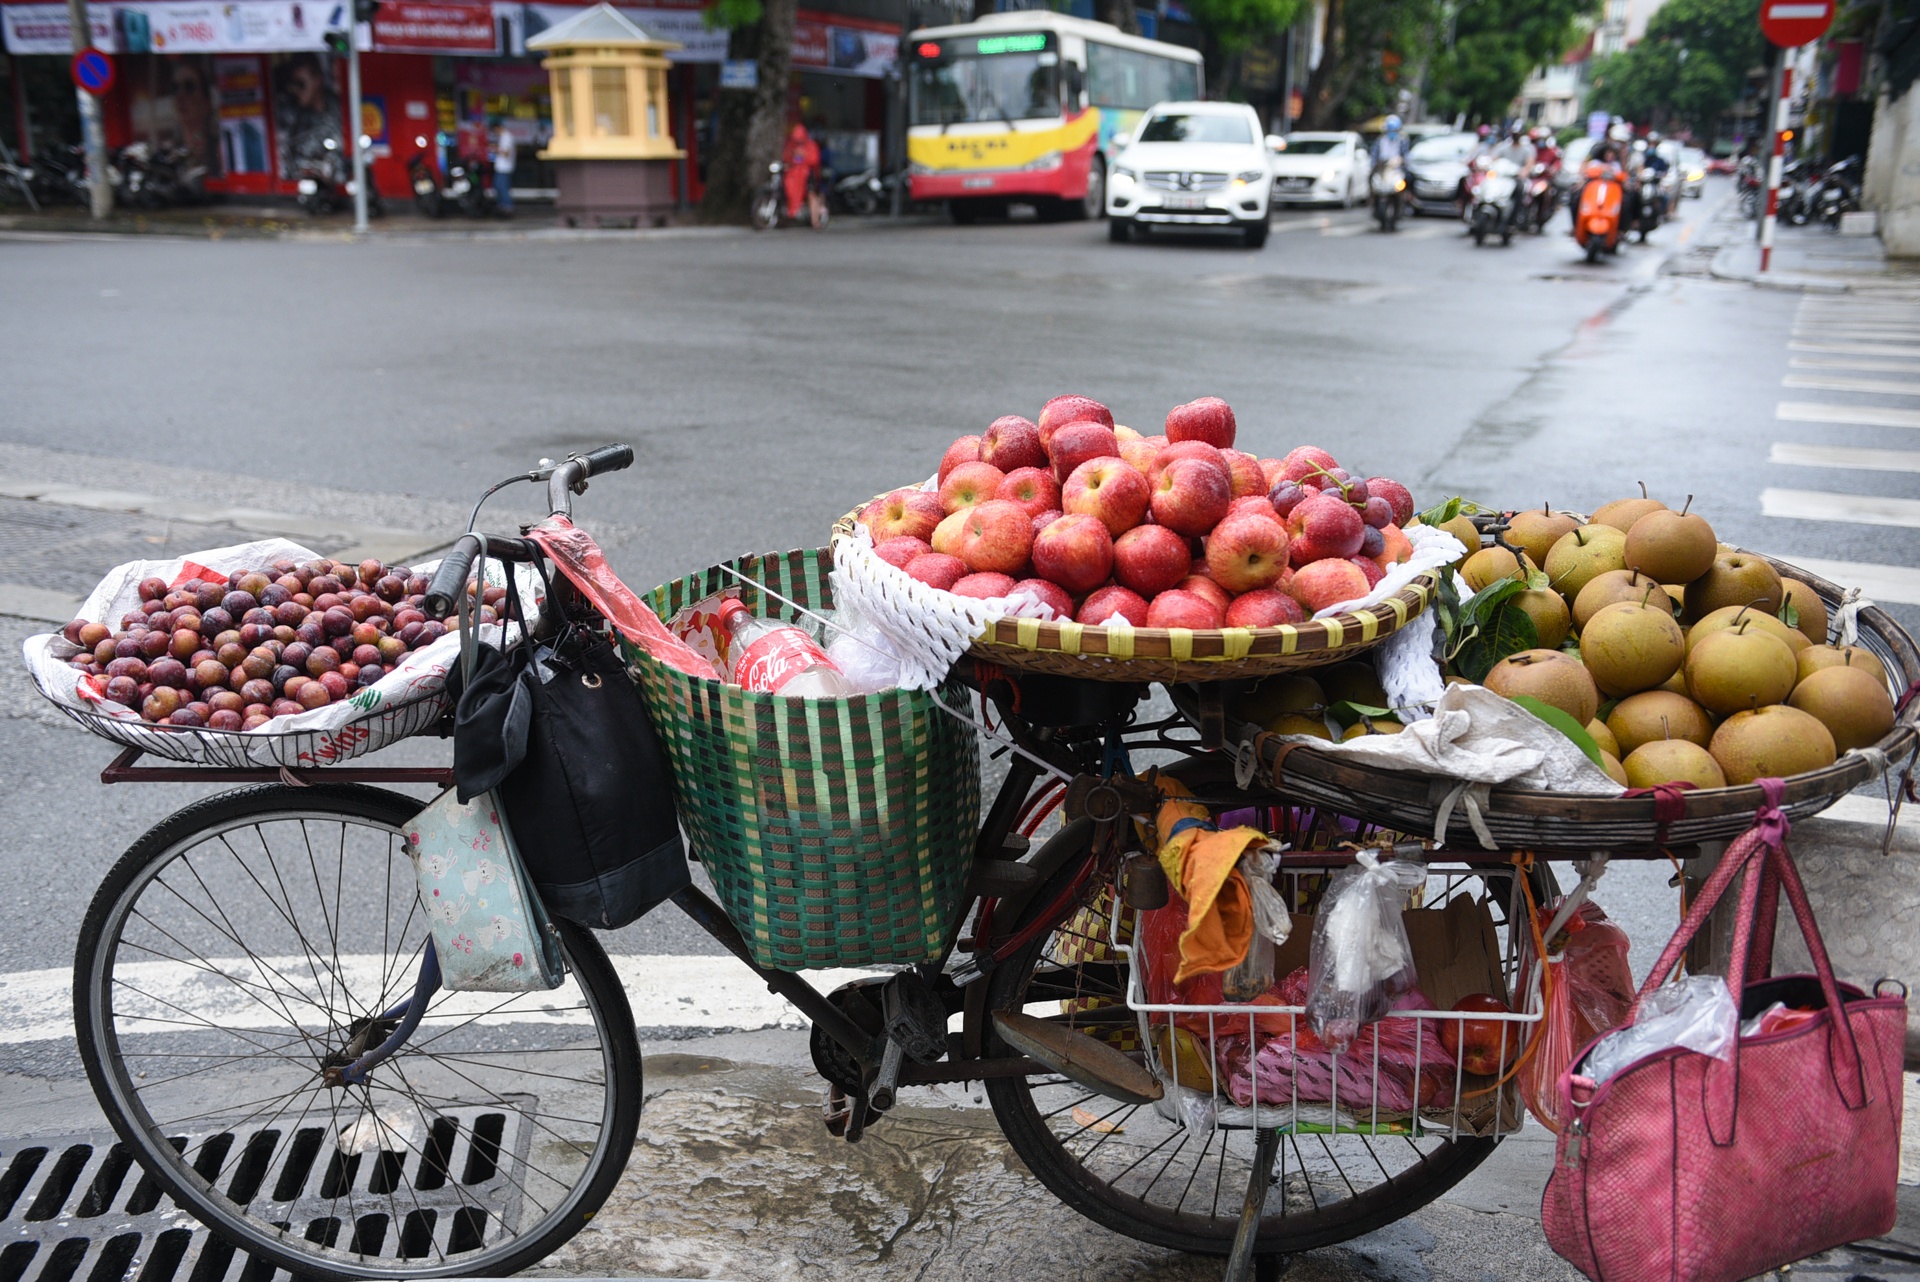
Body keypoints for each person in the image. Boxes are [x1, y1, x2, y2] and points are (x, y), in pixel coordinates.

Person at [781, 122, 823, 226]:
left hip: (808, 174)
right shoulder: (791, 145)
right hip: (793, 174)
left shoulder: (810, 145)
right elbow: (786, 157)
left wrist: (804, 155)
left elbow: (815, 159)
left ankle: (815, 221)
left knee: (811, 195)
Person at [490, 118, 516, 217]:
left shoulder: (507, 137)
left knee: (503, 188)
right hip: (501, 167)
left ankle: (507, 208)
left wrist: (495, 149)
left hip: (505, 168)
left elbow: (506, 153)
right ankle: (502, 207)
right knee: (498, 187)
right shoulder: (503, 137)